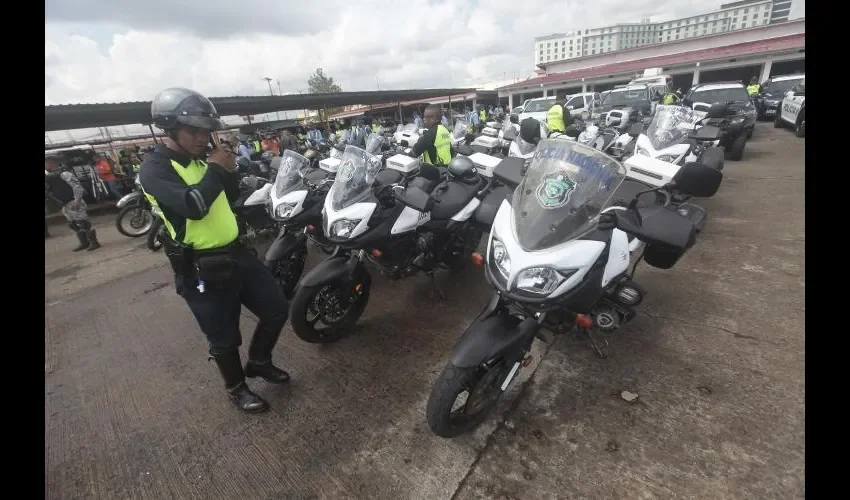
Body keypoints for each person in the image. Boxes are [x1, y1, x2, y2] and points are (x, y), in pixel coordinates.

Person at [138, 87, 291, 414]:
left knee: (277, 307)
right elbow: (194, 206)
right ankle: (237, 389)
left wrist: (229, 168)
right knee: (224, 337)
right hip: (201, 267)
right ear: (170, 129)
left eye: (205, 130)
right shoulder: (155, 168)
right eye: (193, 130)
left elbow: (230, 196)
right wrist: (217, 169)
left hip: (236, 253)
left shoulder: (204, 160)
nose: (201, 137)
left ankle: (260, 361)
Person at [45, 157, 101, 252]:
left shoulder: (65, 174)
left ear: (52, 164)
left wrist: (77, 201)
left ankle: (94, 242)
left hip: (73, 202)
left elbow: (77, 187)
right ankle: (84, 242)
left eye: (46, 164)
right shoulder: (52, 176)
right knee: (73, 224)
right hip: (65, 204)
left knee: (84, 223)